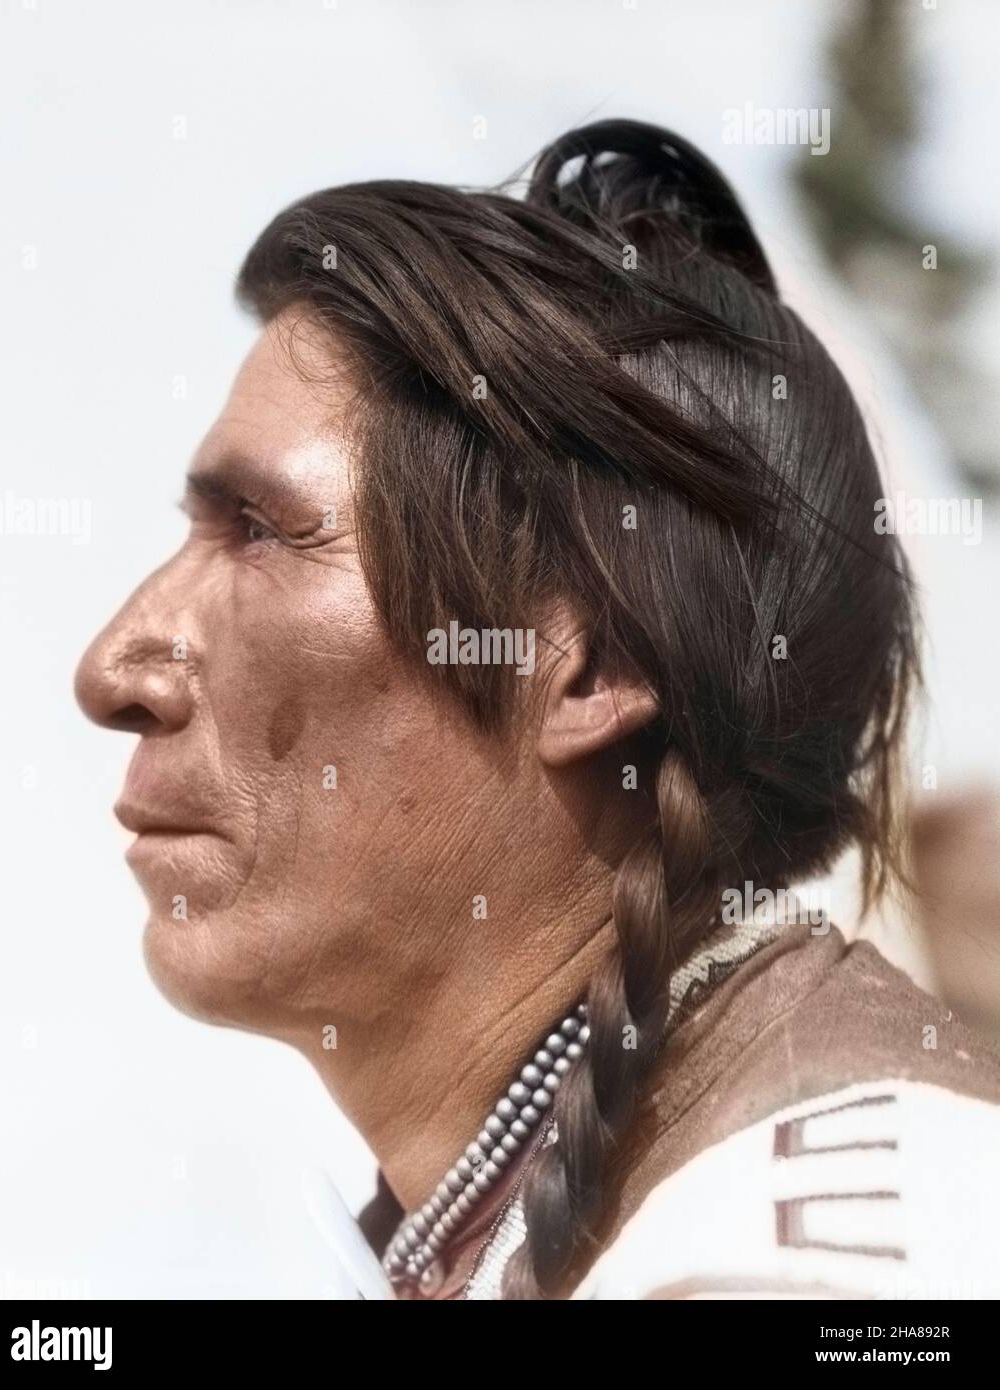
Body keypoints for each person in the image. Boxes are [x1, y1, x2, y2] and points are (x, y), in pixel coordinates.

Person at [74, 120, 1000, 1300]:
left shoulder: (802, 1263)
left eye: (259, 530)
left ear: (587, 665)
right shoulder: (592, 1214)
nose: (113, 671)